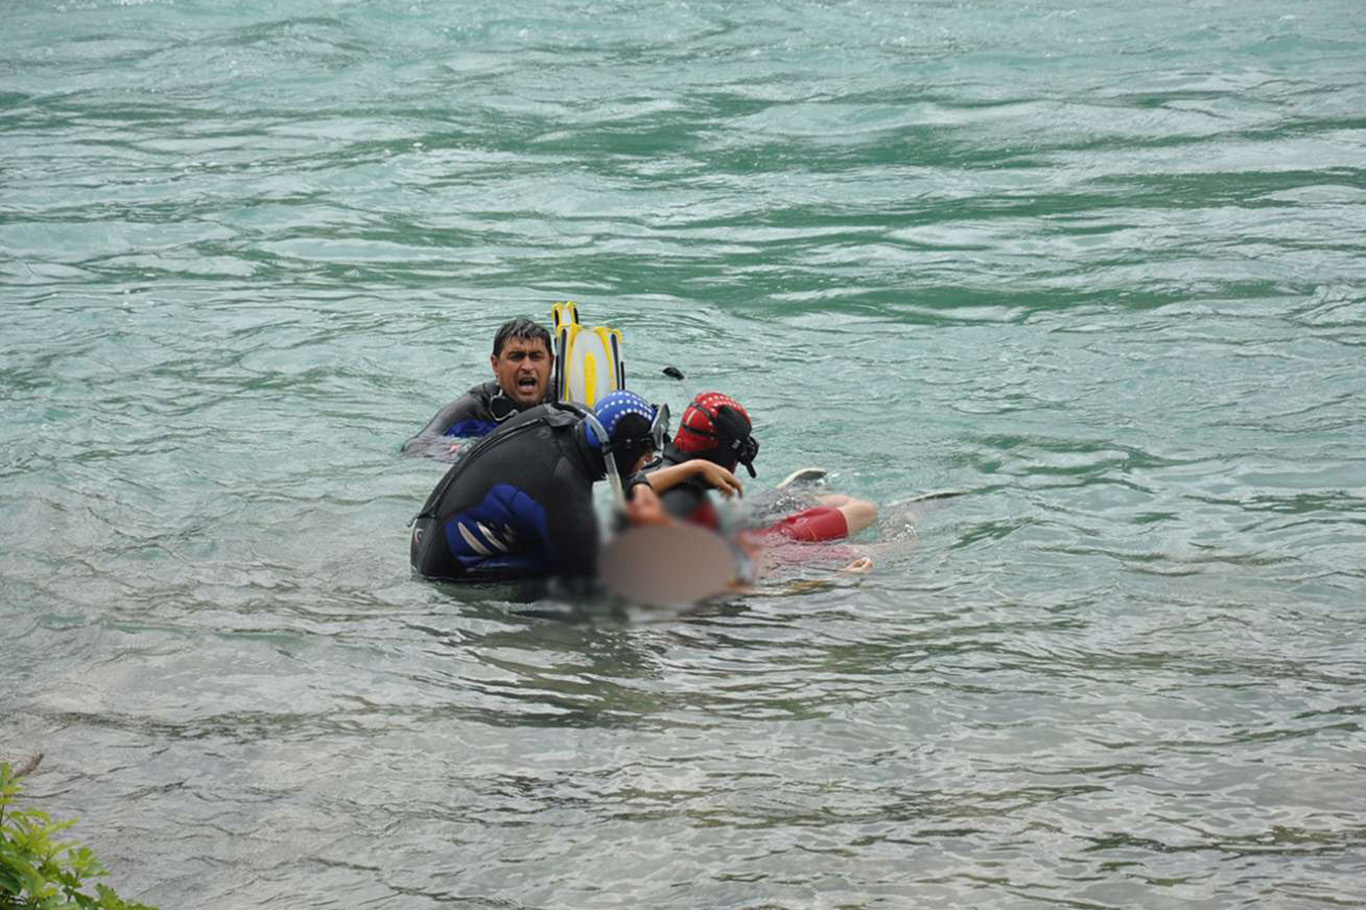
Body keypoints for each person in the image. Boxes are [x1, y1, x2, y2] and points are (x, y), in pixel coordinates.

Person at [409, 390, 742, 583]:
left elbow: (622, 478)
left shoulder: (574, 420)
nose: (652, 457)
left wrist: (694, 467)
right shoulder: (560, 484)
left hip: (432, 528)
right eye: (644, 453)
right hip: (449, 565)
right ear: (620, 452)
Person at [648, 392, 877, 541]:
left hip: (729, 523)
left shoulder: (649, 477)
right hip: (764, 543)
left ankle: (792, 498)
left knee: (825, 503)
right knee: (866, 510)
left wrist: (694, 467)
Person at [402, 318, 555, 457]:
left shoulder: (567, 396)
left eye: (536, 357)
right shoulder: (474, 408)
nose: (527, 367)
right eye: (516, 357)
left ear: (551, 363)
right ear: (496, 365)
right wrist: (467, 451)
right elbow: (416, 446)